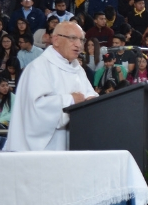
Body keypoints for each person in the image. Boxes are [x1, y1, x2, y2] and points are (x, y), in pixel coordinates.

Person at [6, 21, 97, 151]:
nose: (79, 44)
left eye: (81, 40)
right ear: (56, 40)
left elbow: (89, 95)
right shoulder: (38, 68)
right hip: (44, 149)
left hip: (74, 144)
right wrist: (70, 100)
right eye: (72, 38)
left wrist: (91, 101)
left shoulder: (77, 69)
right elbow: (35, 109)